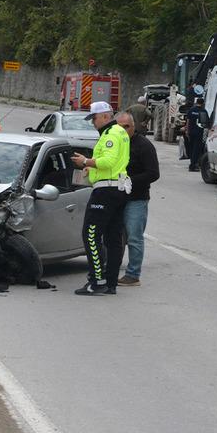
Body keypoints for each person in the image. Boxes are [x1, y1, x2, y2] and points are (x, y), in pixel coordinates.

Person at [70, 101, 130, 295]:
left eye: (94, 118)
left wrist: (86, 161)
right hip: (117, 189)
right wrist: (92, 168)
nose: (93, 122)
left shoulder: (111, 134)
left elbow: (109, 161)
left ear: (105, 116)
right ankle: (110, 283)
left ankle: (97, 281)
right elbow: (114, 163)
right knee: (113, 238)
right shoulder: (120, 132)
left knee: (90, 234)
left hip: (106, 191)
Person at [116, 112, 159, 287]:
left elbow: (153, 173)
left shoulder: (144, 146)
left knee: (134, 237)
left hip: (136, 199)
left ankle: (133, 275)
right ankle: (111, 270)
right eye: (119, 127)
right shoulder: (114, 143)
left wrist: (129, 181)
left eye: (127, 126)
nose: (123, 130)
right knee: (115, 237)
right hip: (116, 198)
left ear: (134, 127)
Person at [185, 98, 209, 171]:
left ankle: (192, 163)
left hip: (191, 132)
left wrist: (187, 131)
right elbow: (206, 122)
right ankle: (193, 166)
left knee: (191, 148)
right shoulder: (203, 111)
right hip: (199, 132)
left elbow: (188, 121)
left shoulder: (191, 110)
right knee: (196, 149)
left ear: (196, 102)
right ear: (203, 103)